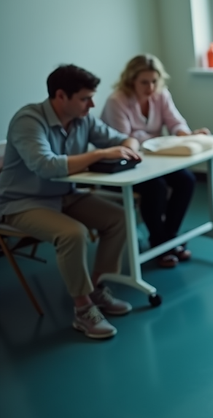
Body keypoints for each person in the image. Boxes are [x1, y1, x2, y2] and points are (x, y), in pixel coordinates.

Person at [0, 64, 141, 339]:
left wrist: (129, 149)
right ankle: (82, 310)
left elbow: (123, 139)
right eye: (85, 98)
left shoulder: (83, 119)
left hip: (63, 195)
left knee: (120, 217)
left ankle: (95, 288)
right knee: (72, 234)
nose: (92, 104)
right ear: (61, 96)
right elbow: (46, 166)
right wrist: (99, 155)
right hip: (21, 203)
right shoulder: (28, 120)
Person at [101, 54, 208, 268]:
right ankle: (161, 244)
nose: (150, 87)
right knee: (155, 188)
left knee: (186, 180)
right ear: (131, 80)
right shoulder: (117, 101)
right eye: (144, 82)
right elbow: (124, 139)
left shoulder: (161, 95)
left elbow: (175, 122)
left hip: (154, 158)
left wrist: (189, 135)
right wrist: (156, 139)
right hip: (124, 162)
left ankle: (169, 238)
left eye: (154, 81)